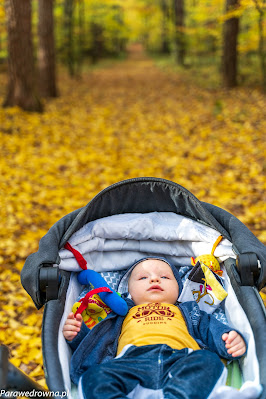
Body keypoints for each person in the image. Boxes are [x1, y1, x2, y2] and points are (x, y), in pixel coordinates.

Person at [63, 258, 247, 399]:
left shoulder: (188, 310)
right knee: (95, 377)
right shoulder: (122, 312)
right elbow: (99, 340)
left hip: (182, 358)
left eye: (165, 277)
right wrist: (78, 334)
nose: (154, 279)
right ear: (129, 291)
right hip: (130, 361)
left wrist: (228, 339)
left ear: (178, 288)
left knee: (208, 361)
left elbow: (210, 328)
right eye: (143, 278)